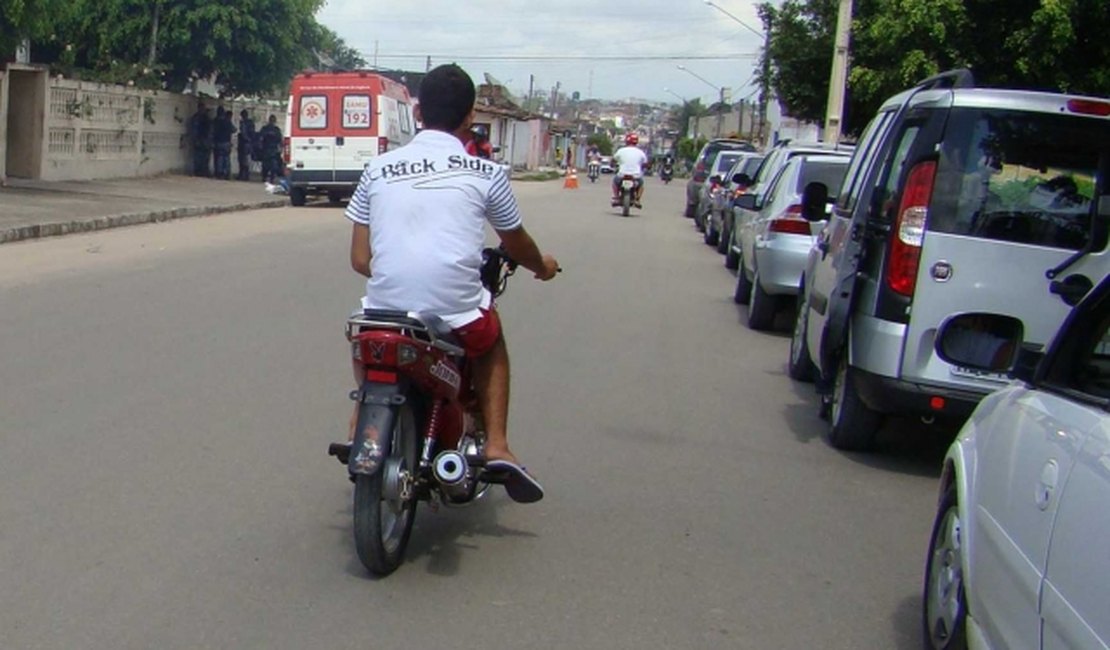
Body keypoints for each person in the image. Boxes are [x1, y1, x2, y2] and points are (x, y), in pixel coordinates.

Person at [344, 64, 560, 503]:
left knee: (369, 335)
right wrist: (543, 266)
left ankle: (357, 424)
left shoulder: (378, 168)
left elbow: (360, 259)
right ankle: (497, 443)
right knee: (491, 344)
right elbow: (517, 244)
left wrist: (399, 271)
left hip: (384, 308)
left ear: (418, 112)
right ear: (469, 118)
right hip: (455, 310)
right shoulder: (486, 173)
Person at [611, 133, 648, 207]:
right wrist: (643, 167)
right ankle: (637, 199)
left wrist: (613, 165)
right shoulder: (641, 152)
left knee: (615, 182)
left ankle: (616, 197)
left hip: (622, 174)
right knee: (641, 184)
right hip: (636, 176)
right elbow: (645, 163)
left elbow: (613, 160)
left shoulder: (621, 151)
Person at [211, 107, 236, 180]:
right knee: (226, 158)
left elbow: (212, 131)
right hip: (226, 142)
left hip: (218, 142)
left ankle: (219, 173)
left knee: (219, 158)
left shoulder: (216, 121)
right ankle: (226, 173)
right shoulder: (227, 122)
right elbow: (234, 130)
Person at [188, 103, 212, 177]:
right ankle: (199, 171)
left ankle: (203, 171)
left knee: (204, 157)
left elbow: (209, 130)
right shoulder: (197, 118)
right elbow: (194, 130)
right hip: (200, 140)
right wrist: (195, 139)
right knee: (199, 156)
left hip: (204, 140)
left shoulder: (204, 118)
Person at [259, 115, 283, 183]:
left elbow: (280, 140)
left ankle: (268, 178)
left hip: (271, 149)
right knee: (267, 165)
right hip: (268, 149)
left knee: (271, 165)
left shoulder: (269, 129)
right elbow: (261, 138)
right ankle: (266, 177)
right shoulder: (269, 129)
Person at [236, 109, 256, 181]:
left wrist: (246, 139)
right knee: (246, 160)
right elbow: (253, 133)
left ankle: (242, 175)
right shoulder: (251, 123)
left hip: (243, 143)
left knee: (242, 160)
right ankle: (246, 175)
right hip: (249, 143)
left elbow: (243, 133)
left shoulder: (243, 123)